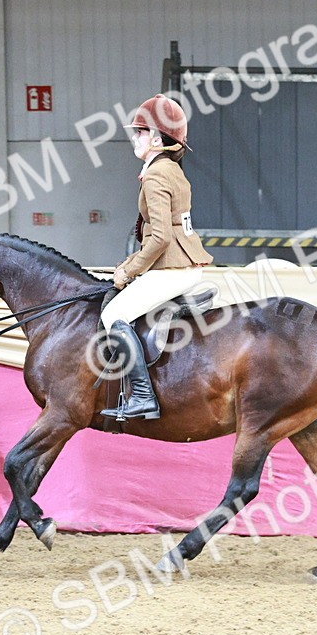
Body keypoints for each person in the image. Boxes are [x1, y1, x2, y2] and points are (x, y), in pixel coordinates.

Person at [99, 94, 213, 421]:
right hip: (181, 262)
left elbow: (161, 237)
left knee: (113, 316)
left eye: (139, 131)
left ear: (156, 138)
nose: (134, 137)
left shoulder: (156, 175)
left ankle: (143, 397)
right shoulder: (168, 169)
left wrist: (128, 271)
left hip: (174, 267)